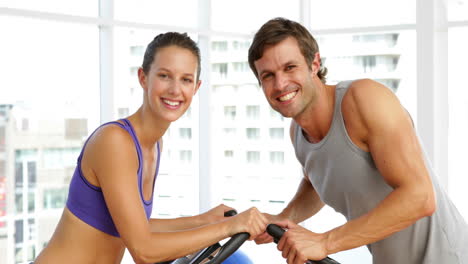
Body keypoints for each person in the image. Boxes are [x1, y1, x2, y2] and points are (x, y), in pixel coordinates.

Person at [247, 17, 468, 264]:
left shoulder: (364, 99)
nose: (280, 84)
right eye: (267, 75)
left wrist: (324, 242)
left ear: (314, 64)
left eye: (290, 67)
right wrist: (284, 216)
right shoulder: (297, 132)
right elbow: (317, 182)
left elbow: (421, 197)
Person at [35, 32, 268, 264]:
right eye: (165, 76)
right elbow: (144, 250)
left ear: (196, 88)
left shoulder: (154, 145)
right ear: (143, 77)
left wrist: (203, 220)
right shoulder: (114, 141)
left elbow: (136, 226)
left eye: (186, 79)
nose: (175, 90)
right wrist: (230, 227)